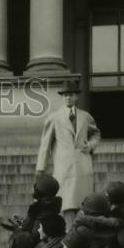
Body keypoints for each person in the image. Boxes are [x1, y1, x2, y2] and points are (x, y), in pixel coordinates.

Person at [35, 81, 100, 228]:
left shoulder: (85, 117)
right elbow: (45, 144)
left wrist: (90, 146)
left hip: (83, 166)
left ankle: (82, 235)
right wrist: (41, 167)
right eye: (65, 95)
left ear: (76, 96)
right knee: (67, 205)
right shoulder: (55, 118)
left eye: (70, 95)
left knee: (84, 204)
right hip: (64, 168)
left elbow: (95, 134)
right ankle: (70, 236)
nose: (68, 98)